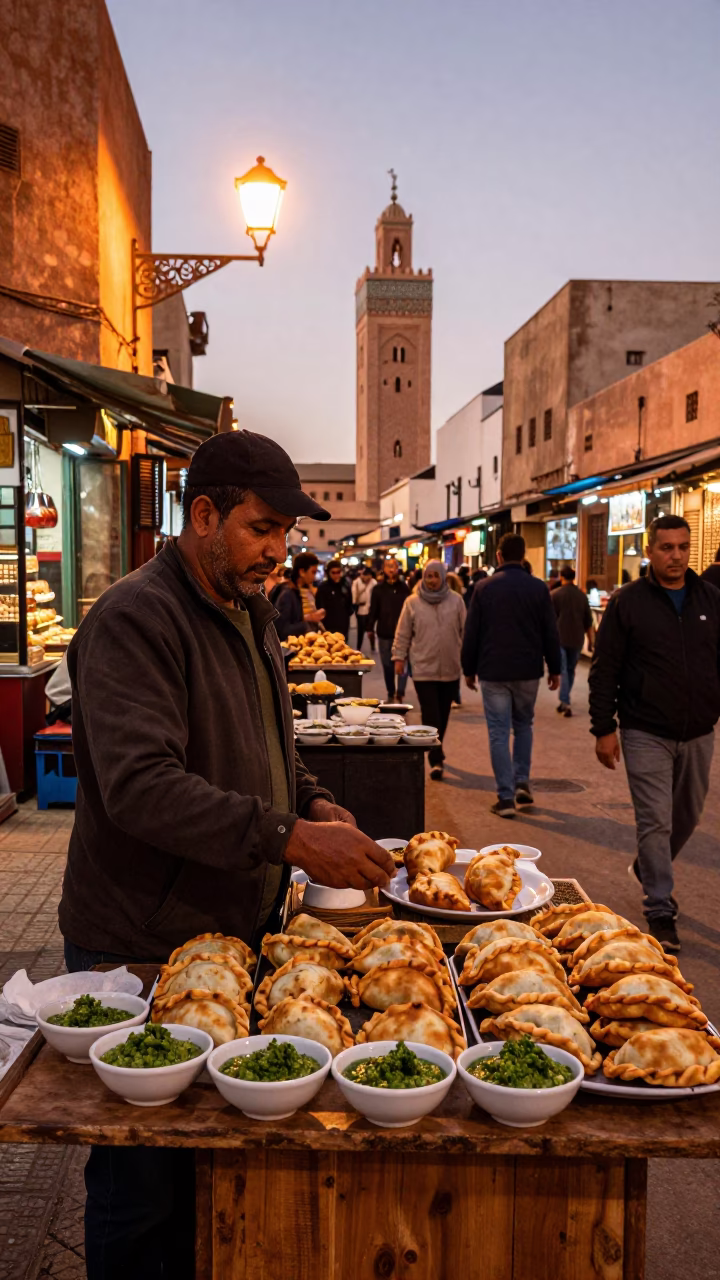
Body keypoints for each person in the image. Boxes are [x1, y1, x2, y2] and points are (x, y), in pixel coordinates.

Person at [58, 429, 395, 1278]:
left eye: (286, 533)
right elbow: (140, 787)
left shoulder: (247, 610)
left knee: (203, 1173)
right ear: (204, 515)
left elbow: (269, 740)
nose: (280, 551)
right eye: (263, 528)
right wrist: (289, 837)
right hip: (138, 942)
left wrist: (310, 796)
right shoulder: (135, 617)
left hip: (221, 933)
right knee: (143, 1184)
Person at [589, 514, 720, 953]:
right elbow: (605, 668)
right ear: (649, 551)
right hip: (645, 729)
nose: (677, 556)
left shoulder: (710, 599)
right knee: (656, 820)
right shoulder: (629, 602)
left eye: (683, 547)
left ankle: (649, 866)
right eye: (667, 547)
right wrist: (604, 728)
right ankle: (660, 908)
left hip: (700, 730)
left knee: (687, 816)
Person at [462, 532, 562, 817]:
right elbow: (550, 632)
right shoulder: (538, 588)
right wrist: (555, 668)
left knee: (497, 731)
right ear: (523, 556)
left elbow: (472, 633)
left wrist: (468, 668)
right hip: (528, 671)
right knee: (523, 726)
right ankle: (521, 781)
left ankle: (505, 798)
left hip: (493, 671)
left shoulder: (483, 588)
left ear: (499, 556)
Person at [392, 560, 466, 781]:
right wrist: (399, 656)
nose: (432, 580)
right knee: (431, 713)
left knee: (443, 714)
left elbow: (466, 631)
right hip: (423, 667)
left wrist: (470, 661)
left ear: (443, 577)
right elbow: (403, 632)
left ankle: (436, 747)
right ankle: (436, 758)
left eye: (436, 576)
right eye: (428, 576)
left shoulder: (457, 601)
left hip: (451, 668)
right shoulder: (412, 602)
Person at [367, 556, 411, 701]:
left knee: (403, 663)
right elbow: (373, 610)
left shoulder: (404, 588)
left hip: (403, 634)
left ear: (398, 568)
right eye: (388, 566)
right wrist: (370, 627)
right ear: (384, 569)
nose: (391, 569)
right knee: (387, 665)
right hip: (384, 633)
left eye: (394, 566)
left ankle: (401, 692)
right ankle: (391, 692)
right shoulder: (378, 589)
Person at [552, 566, 594, 717]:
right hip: (577, 639)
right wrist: (591, 641)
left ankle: (565, 702)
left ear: (561, 577)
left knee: (563, 670)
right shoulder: (581, 596)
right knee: (570, 670)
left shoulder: (554, 595)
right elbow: (588, 622)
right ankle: (565, 701)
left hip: (559, 639)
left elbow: (549, 621)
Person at [273, 551, 326, 641]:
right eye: (313, 572)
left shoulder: (299, 590)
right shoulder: (287, 593)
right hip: (290, 649)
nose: (314, 577)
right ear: (302, 572)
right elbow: (282, 629)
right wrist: (307, 623)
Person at [314, 559, 353, 638]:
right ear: (328, 573)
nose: (336, 575)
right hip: (329, 626)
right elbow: (319, 605)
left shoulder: (345, 585)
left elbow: (349, 602)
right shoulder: (323, 587)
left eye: (338, 572)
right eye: (333, 572)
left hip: (343, 623)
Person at [352, 565, 376, 651]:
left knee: (371, 629)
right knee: (360, 630)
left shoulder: (373, 582)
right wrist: (354, 603)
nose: (367, 577)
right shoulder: (357, 582)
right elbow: (354, 597)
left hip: (370, 610)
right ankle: (359, 647)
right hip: (360, 610)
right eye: (365, 575)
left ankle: (372, 645)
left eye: (368, 575)